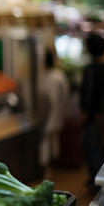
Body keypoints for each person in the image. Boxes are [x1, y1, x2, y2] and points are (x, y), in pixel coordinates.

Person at [80, 33, 104, 188]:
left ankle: (97, 180)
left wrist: (84, 112)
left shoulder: (91, 69)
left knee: (90, 147)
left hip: (94, 116)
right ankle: (102, 179)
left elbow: (88, 93)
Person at [38, 49, 70, 178]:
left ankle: (47, 170)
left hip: (50, 116)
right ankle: (50, 168)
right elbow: (65, 96)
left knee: (47, 142)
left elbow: (52, 100)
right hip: (56, 115)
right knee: (53, 142)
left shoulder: (49, 77)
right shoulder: (59, 75)